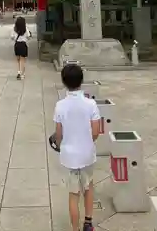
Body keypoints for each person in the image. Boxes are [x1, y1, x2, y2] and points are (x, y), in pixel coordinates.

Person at [53, 64, 101, 231]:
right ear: (81, 81)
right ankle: (88, 223)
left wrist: (60, 145)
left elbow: (59, 133)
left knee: (73, 195)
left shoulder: (60, 105)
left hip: (69, 156)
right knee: (88, 187)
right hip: (87, 154)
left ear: (64, 82)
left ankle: (75, 229)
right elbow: (96, 131)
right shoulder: (91, 104)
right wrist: (87, 141)